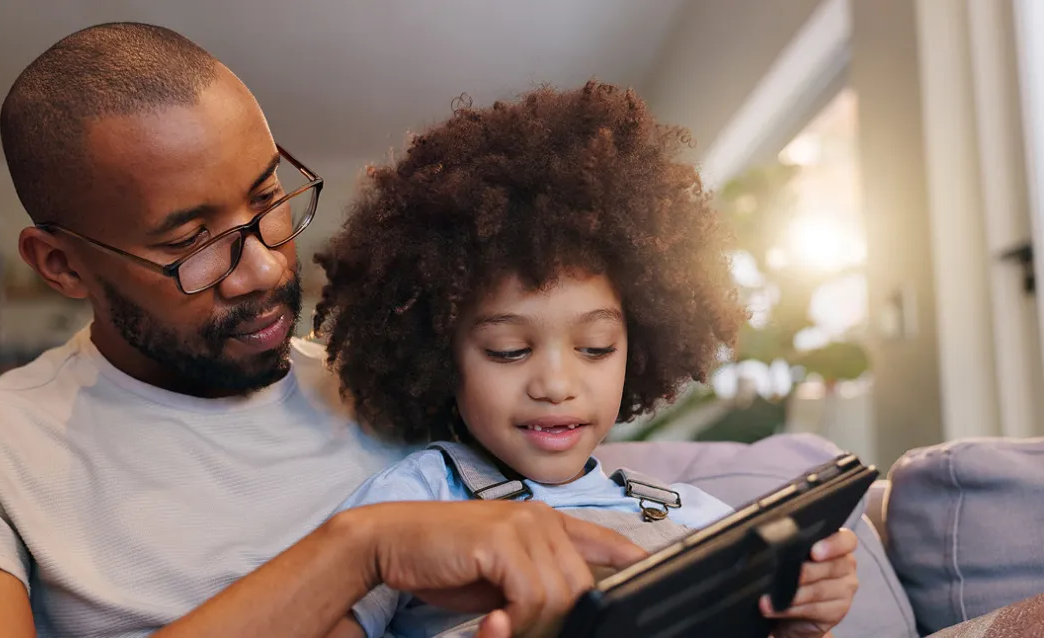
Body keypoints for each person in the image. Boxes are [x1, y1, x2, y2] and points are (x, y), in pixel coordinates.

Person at [0, 22, 648, 638]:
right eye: (190, 243)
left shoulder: (399, 382)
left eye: (266, 198)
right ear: (61, 266)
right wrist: (361, 550)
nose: (263, 270)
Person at [312, 82, 861, 638]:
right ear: (437, 355)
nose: (555, 384)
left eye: (596, 348)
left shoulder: (693, 513)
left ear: (640, 345)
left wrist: (803, 615)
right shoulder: (414, 498)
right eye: (510, 351)